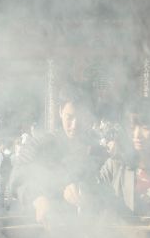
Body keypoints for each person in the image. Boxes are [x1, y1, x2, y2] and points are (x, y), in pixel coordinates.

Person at [14, 90, 106, 224]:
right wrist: (38, 199)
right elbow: (18, 176)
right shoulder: (41, 145)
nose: (74, 126)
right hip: (49, 232)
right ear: (60, 111)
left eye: (81, 118)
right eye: (70, 117)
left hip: (90, 232)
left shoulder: (97, 149)